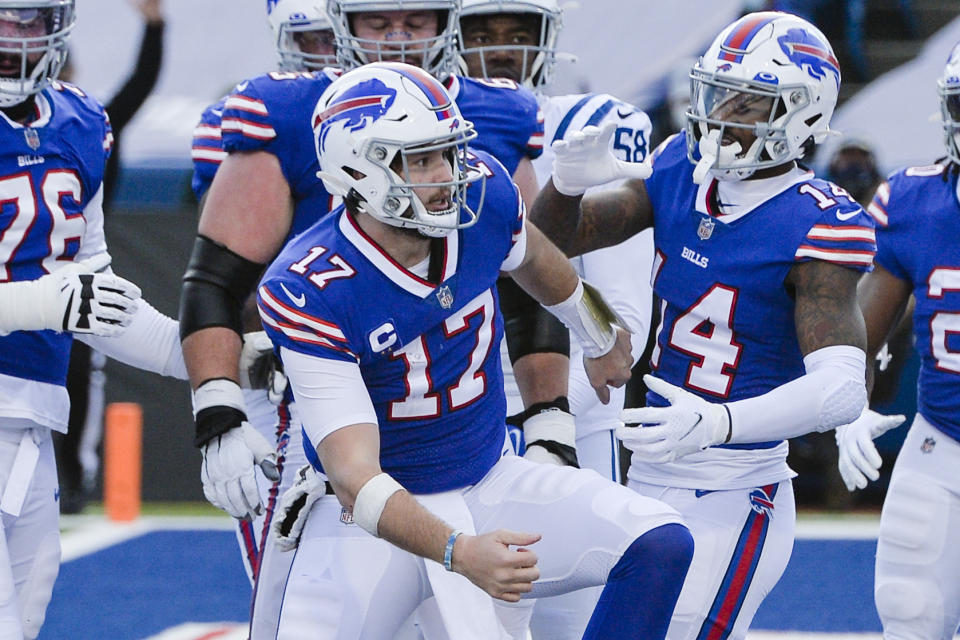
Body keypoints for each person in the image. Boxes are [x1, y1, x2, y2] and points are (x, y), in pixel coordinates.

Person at [257, 60, 693, 640]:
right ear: (358, 171)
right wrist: (460, 552)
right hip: (366, 522)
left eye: (447, 152)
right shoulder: (310, 285)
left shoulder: (481, 197)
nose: (446, 173)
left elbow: (537, 261)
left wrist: (599, 331)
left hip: (490, 482)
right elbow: (355, 477)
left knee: (660, 542)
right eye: (421, 159)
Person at [179, 1, 548, 636]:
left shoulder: (495, 114)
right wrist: (219, 411)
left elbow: (532, 277)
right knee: (300, 617)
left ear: (448, 22)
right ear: (343, 24)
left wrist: (550, 417)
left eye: (417, 19)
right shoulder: (285, 112)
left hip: (462, 409)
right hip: (318, 405)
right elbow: (216, 278)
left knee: (476, 613)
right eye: (379, 20)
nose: (398, 36)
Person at [530, 12, 875, 639]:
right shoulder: (679, 174)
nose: (722, 113)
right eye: (718, 93)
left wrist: (720, 422)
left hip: (738, 492)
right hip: (644, 481)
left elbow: (844, 387)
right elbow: (546, 247)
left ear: (800, 113)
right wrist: (564, 186)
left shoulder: (820, 224)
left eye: (749, 102)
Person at [458, 1, 655, 636]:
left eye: (518, 34)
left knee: (561, 625)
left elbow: (623, 320)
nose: (500, 50)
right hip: (452, 422)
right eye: (480, 34)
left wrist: (540, 409)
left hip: (567, 421)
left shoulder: (593, 125)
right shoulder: (419, 127)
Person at [0, 2, 187, 637]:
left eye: (28, 19)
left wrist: (207, 361)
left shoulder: (78, 122)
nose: (13, 36)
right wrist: (38, 304)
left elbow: (94, 291)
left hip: (30, 413)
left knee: (24, 617)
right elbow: (61, 299)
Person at [189, 0, 337, 591]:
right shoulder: (271, 115)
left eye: (337, 36)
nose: (331, 55)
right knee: (295, 593)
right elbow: (228, 279)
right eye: (313, 40)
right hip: (288, 382)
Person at [833, 40, 960, 639]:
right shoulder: (915, 201)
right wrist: (847, 402)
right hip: (943, 442)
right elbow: (860, 329)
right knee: (911, 611)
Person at [57, 0, 166, 516]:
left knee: (80, 371)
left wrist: (154, 25)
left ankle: (73, 475)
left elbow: (139, 85)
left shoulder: (86, 125)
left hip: (79, 271)